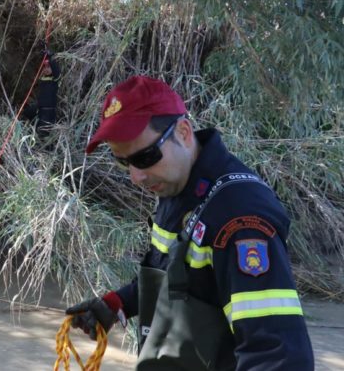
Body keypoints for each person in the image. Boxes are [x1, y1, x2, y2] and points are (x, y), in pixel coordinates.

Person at [66, 75, 314, 370]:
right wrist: (117, 304)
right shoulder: (177, 185)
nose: (136, 177)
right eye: (124, 162)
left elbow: (278, 355)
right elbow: (177, 280)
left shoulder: (241, 218)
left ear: (183, 132)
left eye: (145, 157)